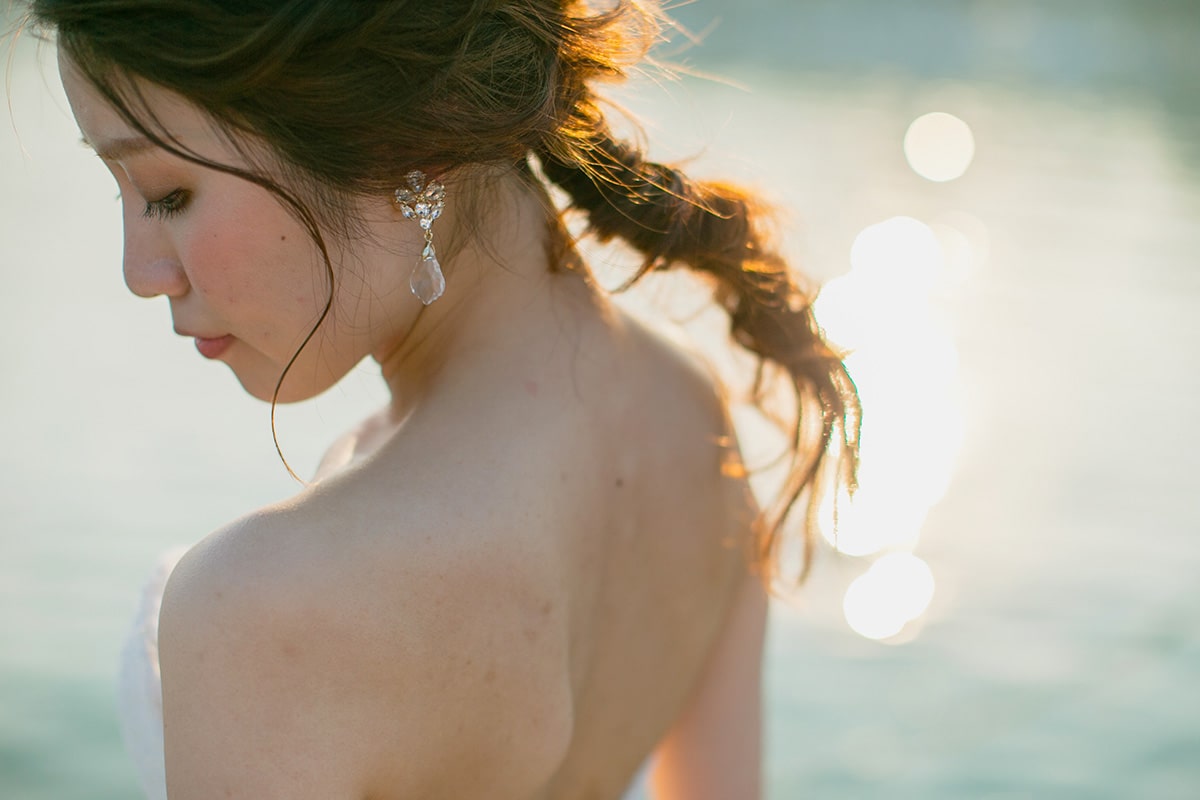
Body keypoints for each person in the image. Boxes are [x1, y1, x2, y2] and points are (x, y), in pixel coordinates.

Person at [28, 0, 859, 797]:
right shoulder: (693, 418)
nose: (141, 272)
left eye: (168, 194)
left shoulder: (265, 609)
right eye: (122, 194)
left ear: (406, 145)